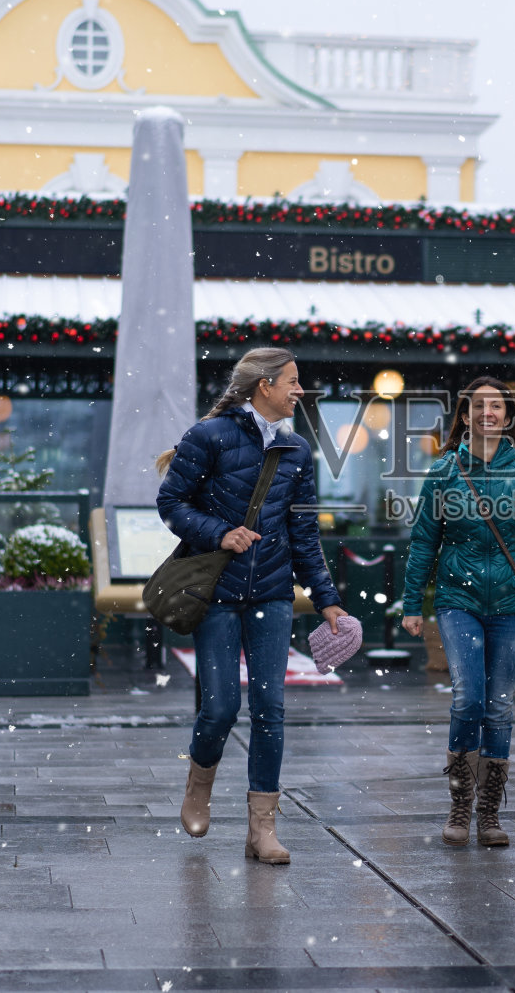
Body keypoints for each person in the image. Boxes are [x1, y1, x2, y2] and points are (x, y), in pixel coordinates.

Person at [156, 347, 347, 865]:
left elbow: (304, 534)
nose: (299, 390)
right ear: (264, 385)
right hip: (214, 594)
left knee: (270, 711)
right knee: (218, 708)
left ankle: (262, 828)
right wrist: (221, 533)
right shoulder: (208, 437)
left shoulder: (298, 453)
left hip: (272, 595)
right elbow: (171, 504)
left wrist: (327, 602)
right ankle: (199, 781)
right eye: (293, 380)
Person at [400, 376, 515, 847]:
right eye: (478, 406)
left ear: (508, 417)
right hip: (459, 601)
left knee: (499, 707)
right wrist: (413, 603)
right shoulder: (444, 472)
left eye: (496, 406)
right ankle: (460, 805)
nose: (487, 413)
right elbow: (423, 544)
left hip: (513, 607)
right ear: (464, 416)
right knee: (468, 700)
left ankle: (489, 813)